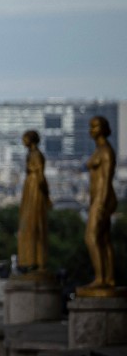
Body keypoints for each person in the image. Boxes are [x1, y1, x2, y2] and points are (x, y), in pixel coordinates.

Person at [78, 115, 118, 297]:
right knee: (104, 239)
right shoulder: (102, 150)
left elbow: (107, 179)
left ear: (103, 129)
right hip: (100, 199)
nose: (91, 130)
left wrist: (100, 203)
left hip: (102, 199)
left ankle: (101, 278)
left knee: (91, 237)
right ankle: (108, 278)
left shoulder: (105, 152)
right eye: (90, 127)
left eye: (94, 127)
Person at [16, 130, 52, 275]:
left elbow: (41, 177)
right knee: (30, 226)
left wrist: (46, 196)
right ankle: (30, 260)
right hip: (31, 190)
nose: (23, 141)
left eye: (24, 139)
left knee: (34, 225)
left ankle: (36, 261)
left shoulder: (36, 155)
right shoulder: (31, 155)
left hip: (34, 191)